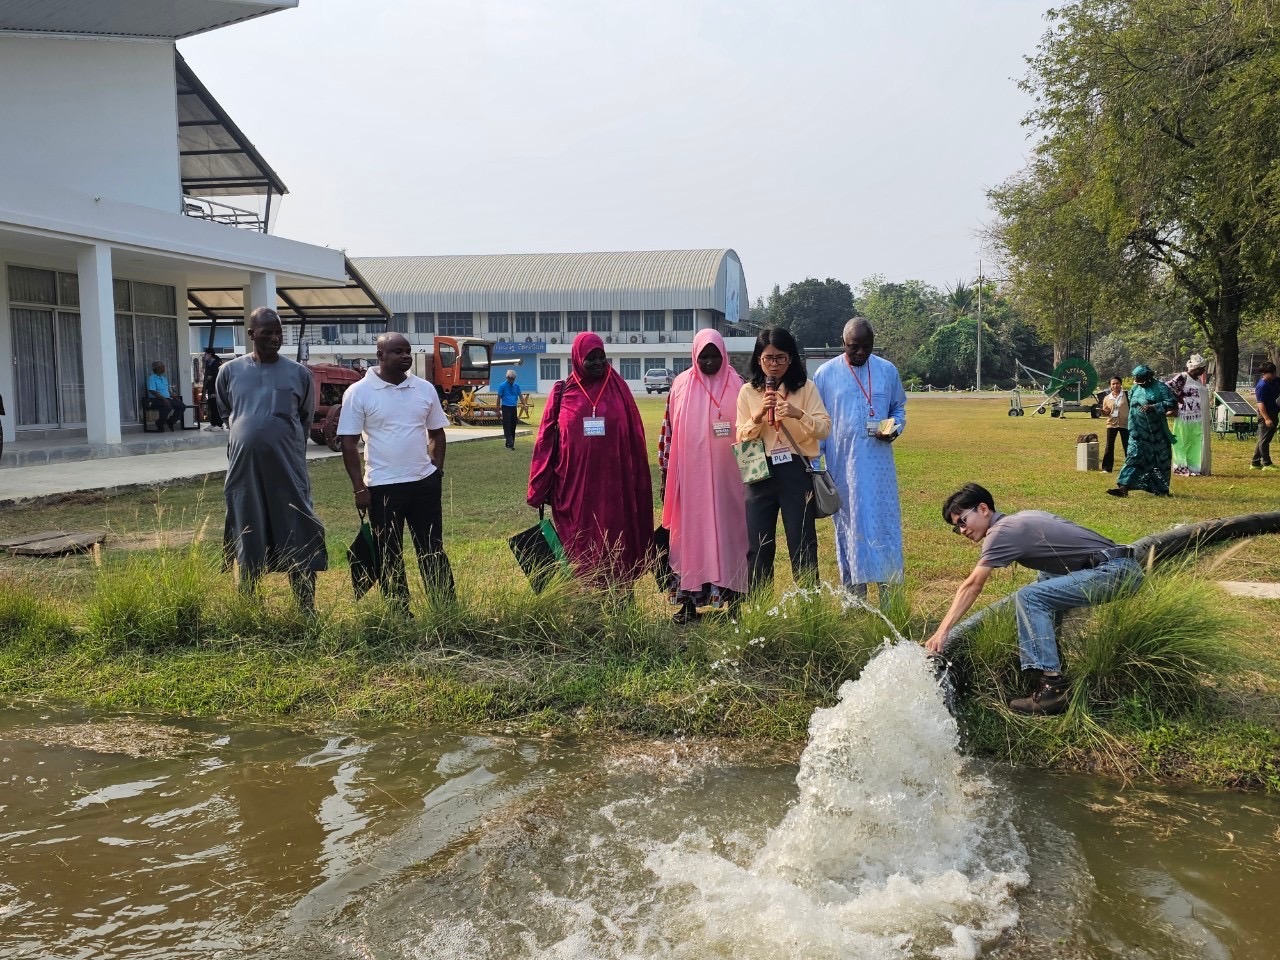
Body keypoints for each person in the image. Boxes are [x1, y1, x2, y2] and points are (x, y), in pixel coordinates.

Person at [925, 483, 1143, 715]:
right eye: (956, 527)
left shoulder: (1001, 532)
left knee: (1030, 597)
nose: (962, 531)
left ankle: (1053, 688)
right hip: (1120, 566)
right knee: (1045, 577)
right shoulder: (1022, 518)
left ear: (983, 509)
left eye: (962, 521)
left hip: (1114, 573)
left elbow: (972, 586)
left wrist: (942, 631)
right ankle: (1053, 662)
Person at [216, 307, 327, 610]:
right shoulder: (229, 372)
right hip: (244, 473)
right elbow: (229, 414)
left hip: (287, 471)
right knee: (247, 529)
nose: (276, 338)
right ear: (251, 334)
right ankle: (248, 607)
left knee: (298, 527)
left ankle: (305, 607)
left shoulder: (299, 374)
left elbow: (304, 420)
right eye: (268, 333)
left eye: (279, 332)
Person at [337, 332, 455, 609]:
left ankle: (445, 607)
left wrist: (435, 471)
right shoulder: (358, 393)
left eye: (407, 351)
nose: (405, 356)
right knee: (389, 552)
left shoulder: (424, 389)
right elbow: (348, 443)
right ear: (380, 356)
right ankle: (398, 611)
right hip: (383, 487)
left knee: (432, 549)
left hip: (424, 484)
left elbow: (437, 433)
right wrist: (358, 487)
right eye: (397, 352)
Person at [527, 331, 653, 589]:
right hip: (574, 490)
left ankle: (620, 603)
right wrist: (538, 487)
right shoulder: (562, 392)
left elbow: (636, 438)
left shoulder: (619, 390)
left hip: (614, 489)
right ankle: (584, 608)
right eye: (591, 358)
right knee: (579, 547)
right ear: (577, 358)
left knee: (616, 545)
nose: (598, 363)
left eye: (602, 357)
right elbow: (545, 442)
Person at [813, 317, 907, 601]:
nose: (861, 353)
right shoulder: (825, 374)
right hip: (843, 469)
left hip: (879, 471)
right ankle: (855, 601)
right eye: (854, 347)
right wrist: (816, 466)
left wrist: (894, 428)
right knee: (849, 529)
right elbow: (819, 423)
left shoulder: (887, 371)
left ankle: (891, 601)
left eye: (867, 347)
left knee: (884, 527)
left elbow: (898, 409)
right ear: (843, 343)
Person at [657, 330, 748, 622]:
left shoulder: (739, 385)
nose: (709, 362)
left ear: (724, 354)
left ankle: (734, 606)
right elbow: (668, 433)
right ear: (694, 356)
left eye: (715, 356)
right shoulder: (681, 386)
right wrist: (664, 475)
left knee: (731, 539)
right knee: (690, 541)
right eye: (703, 356)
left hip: (730, 482)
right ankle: (689, 606)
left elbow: (750, 431)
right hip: (691, 483)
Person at [735, 327, 831, 592]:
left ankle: (808, 607)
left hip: (794, 469)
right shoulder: (747, 392)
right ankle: (760, 610)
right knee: (758, 545)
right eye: (768, 358)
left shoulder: (806, 389)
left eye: (780, 357)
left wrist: (797, 413)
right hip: (757, 468)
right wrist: (757, 416)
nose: (774, 364)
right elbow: (741, 435)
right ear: (758, 359)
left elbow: (824, 429)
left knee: (802, 541)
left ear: (790, 359)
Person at [1107, 365, 1177, 497]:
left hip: (1156, 433)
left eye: (1140, 378)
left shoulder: (1161, 388)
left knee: (1159, 460)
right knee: (1133, 457)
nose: (1138, 381)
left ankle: (1161, 489)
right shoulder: (1134, 389)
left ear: (1149, 377)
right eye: (1136, 378)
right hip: (1137, 431)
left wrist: (1154, 406)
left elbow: (1172, 402)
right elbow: (1133, 409)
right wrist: (1131, 429)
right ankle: (1123, 487)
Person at [1165, 354, 1208, 476]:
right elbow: (1167, 388)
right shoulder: (1183, 377)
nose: (1204, 371)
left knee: (1195, 442)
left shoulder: (1197, 380)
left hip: (1197, 417)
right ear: (1197, 368)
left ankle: (1193, 466)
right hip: (1184, 416)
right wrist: (1177, 399)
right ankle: (1181, 466)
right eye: (1202, 368)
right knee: (1182, 440)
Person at [1099, 376, 1129, 473]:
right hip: (1112, 424)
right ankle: (1106, 468)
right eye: (1113, 384)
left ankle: (1130, 467)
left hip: (1125, 424)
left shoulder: (1127, 395)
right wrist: (1103, 412)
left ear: (1121, 384)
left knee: (1127, 445)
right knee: (1109, 446)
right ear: (1110, 386)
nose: (1115, 385)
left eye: (1117, 383)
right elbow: (1107, 411)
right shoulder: (1107, 398)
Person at [1252, 360, 1278, 471]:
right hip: (1265, 415)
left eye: (1274, 372)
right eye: (1271, 373)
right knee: (1264, 441)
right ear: (1264, 373)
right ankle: (1266, 463)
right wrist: (1266, 418)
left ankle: (1255, 463)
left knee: (1263, 439)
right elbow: (1260, 404)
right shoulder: (1262, 386)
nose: (1274, 374)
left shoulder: (1275, 381)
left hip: (1274, 412)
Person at [146, 360, 186, 431]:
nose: (164, 368)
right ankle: (160, 423)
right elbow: (152, 391)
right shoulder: (152, 378)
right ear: (156, 368)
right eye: (162, 366)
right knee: (167, 406)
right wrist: (163, 399)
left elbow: (168, 390)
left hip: (167, 398)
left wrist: (175, 397)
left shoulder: (164, 378)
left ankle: (171, 421)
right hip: (155, 399)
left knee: (181, 406)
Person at [497, 368, 522, 450]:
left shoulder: (516, 386)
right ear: (507, 378)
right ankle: (510, 441)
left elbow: (520, 396)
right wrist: (498, 410)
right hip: (505, 407)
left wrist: (524, 405)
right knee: (507, 425)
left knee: (513, 426)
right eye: (510, 379)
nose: (511, 381)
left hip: (513, 407)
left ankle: (511, 443)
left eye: (513, 379)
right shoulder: (502, 386)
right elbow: (498, 398)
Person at [201, 347, 225, 431]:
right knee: (211, 405)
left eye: (205, 354)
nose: (204, 356)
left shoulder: (216, 364)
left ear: (210, 354)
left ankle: (219, 424)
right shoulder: (208, 363)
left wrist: (215, 390)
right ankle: (213, 423)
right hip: (210, 388)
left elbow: (215, 378)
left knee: (216, 406)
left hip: (216, 388)